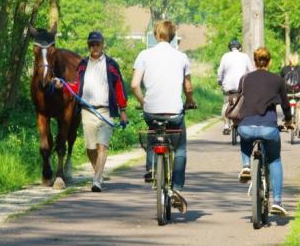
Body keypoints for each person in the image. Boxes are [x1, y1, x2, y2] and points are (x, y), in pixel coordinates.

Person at [130, 20, 197, 213]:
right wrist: (190, 100)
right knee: (180, 148)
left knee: (153, 136)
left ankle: (152, 168)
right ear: (173, 36)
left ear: (155, 34)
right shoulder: (181, 57)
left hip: (152, 111)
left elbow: (135, 85)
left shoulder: (144, 55)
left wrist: (144, 103)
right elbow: (188, 87)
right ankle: (176, 187)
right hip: (174, 112)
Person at [55, 31, 128, 192]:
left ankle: (96, 180)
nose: (94, 47)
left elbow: (119, 88)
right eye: (91, 44)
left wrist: (123, 110)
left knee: (102, 146)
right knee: (90, 149)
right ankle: (99, 174)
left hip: (106, 110)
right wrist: (64, 85)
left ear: (102, 45)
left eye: (97, 44)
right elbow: (77, 86)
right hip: (87, 111)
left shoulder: (111, 65)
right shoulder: (82, 65)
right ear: (88, 46)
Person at [237, 47, 292, 216]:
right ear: (270, 61)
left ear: (255, 61)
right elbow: (285, 104)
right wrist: (288, 120)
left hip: (246, 126)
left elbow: (240, 100)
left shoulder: (245, 79)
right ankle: (277, 201)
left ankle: (246, 166)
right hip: (269, 128)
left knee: (246, 137)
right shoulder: (277, 80)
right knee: (274, 160)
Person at [217, 38, 254, 135]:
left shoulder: (225, 56)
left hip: (228, 87)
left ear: (230, 48)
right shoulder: (245, 56)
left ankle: (226, 125)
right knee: (244, 103)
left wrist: (220, 81)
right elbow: (251, 71)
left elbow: (220, 71)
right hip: (242, 87)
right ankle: (244, 123)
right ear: (239, 47)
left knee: (226, 103)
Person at [280, 53, 300, 139]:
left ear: (289, 60)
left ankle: (287, 120)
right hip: (299, 92)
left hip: (287, 93)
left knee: (285, 106)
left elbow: (280, 80)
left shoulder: (284, 69)